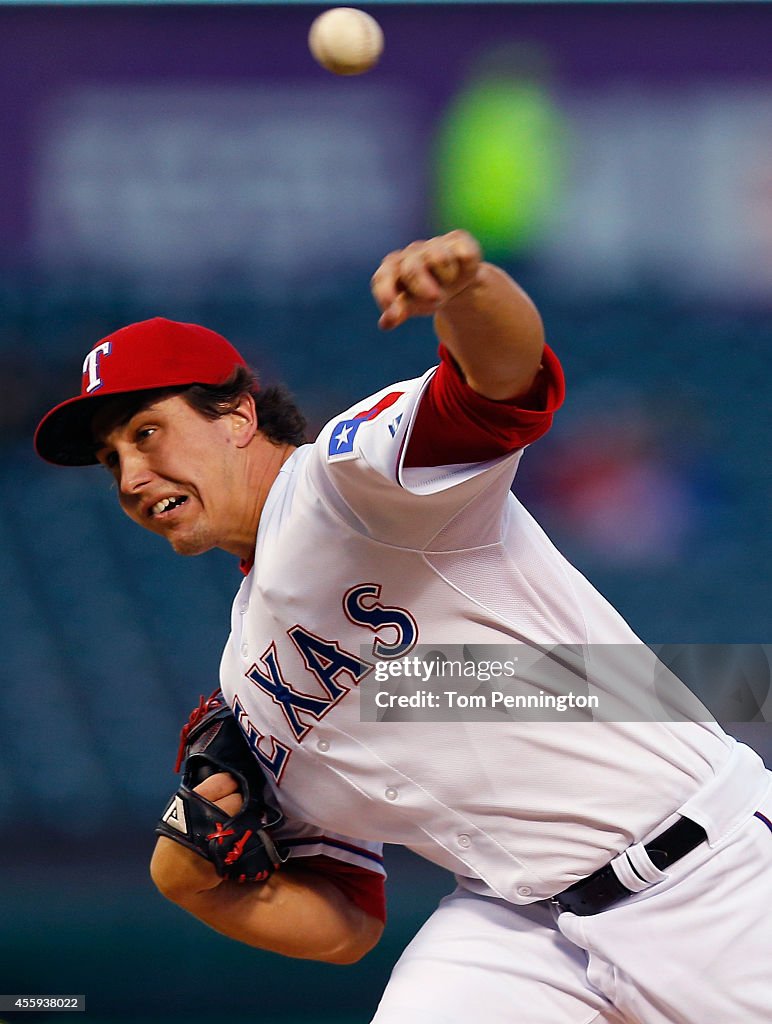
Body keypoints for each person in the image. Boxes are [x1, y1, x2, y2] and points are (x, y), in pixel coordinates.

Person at [35, 231, 772, 1024]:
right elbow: (349, 923)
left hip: (710, 873)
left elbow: (503, 389)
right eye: (112, 459)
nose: (132, 476)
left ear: (239, 415)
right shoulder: (244, 679)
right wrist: (196, 889)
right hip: (515, 925)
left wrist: (469, 292)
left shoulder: (345, 482)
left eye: (147, 432)